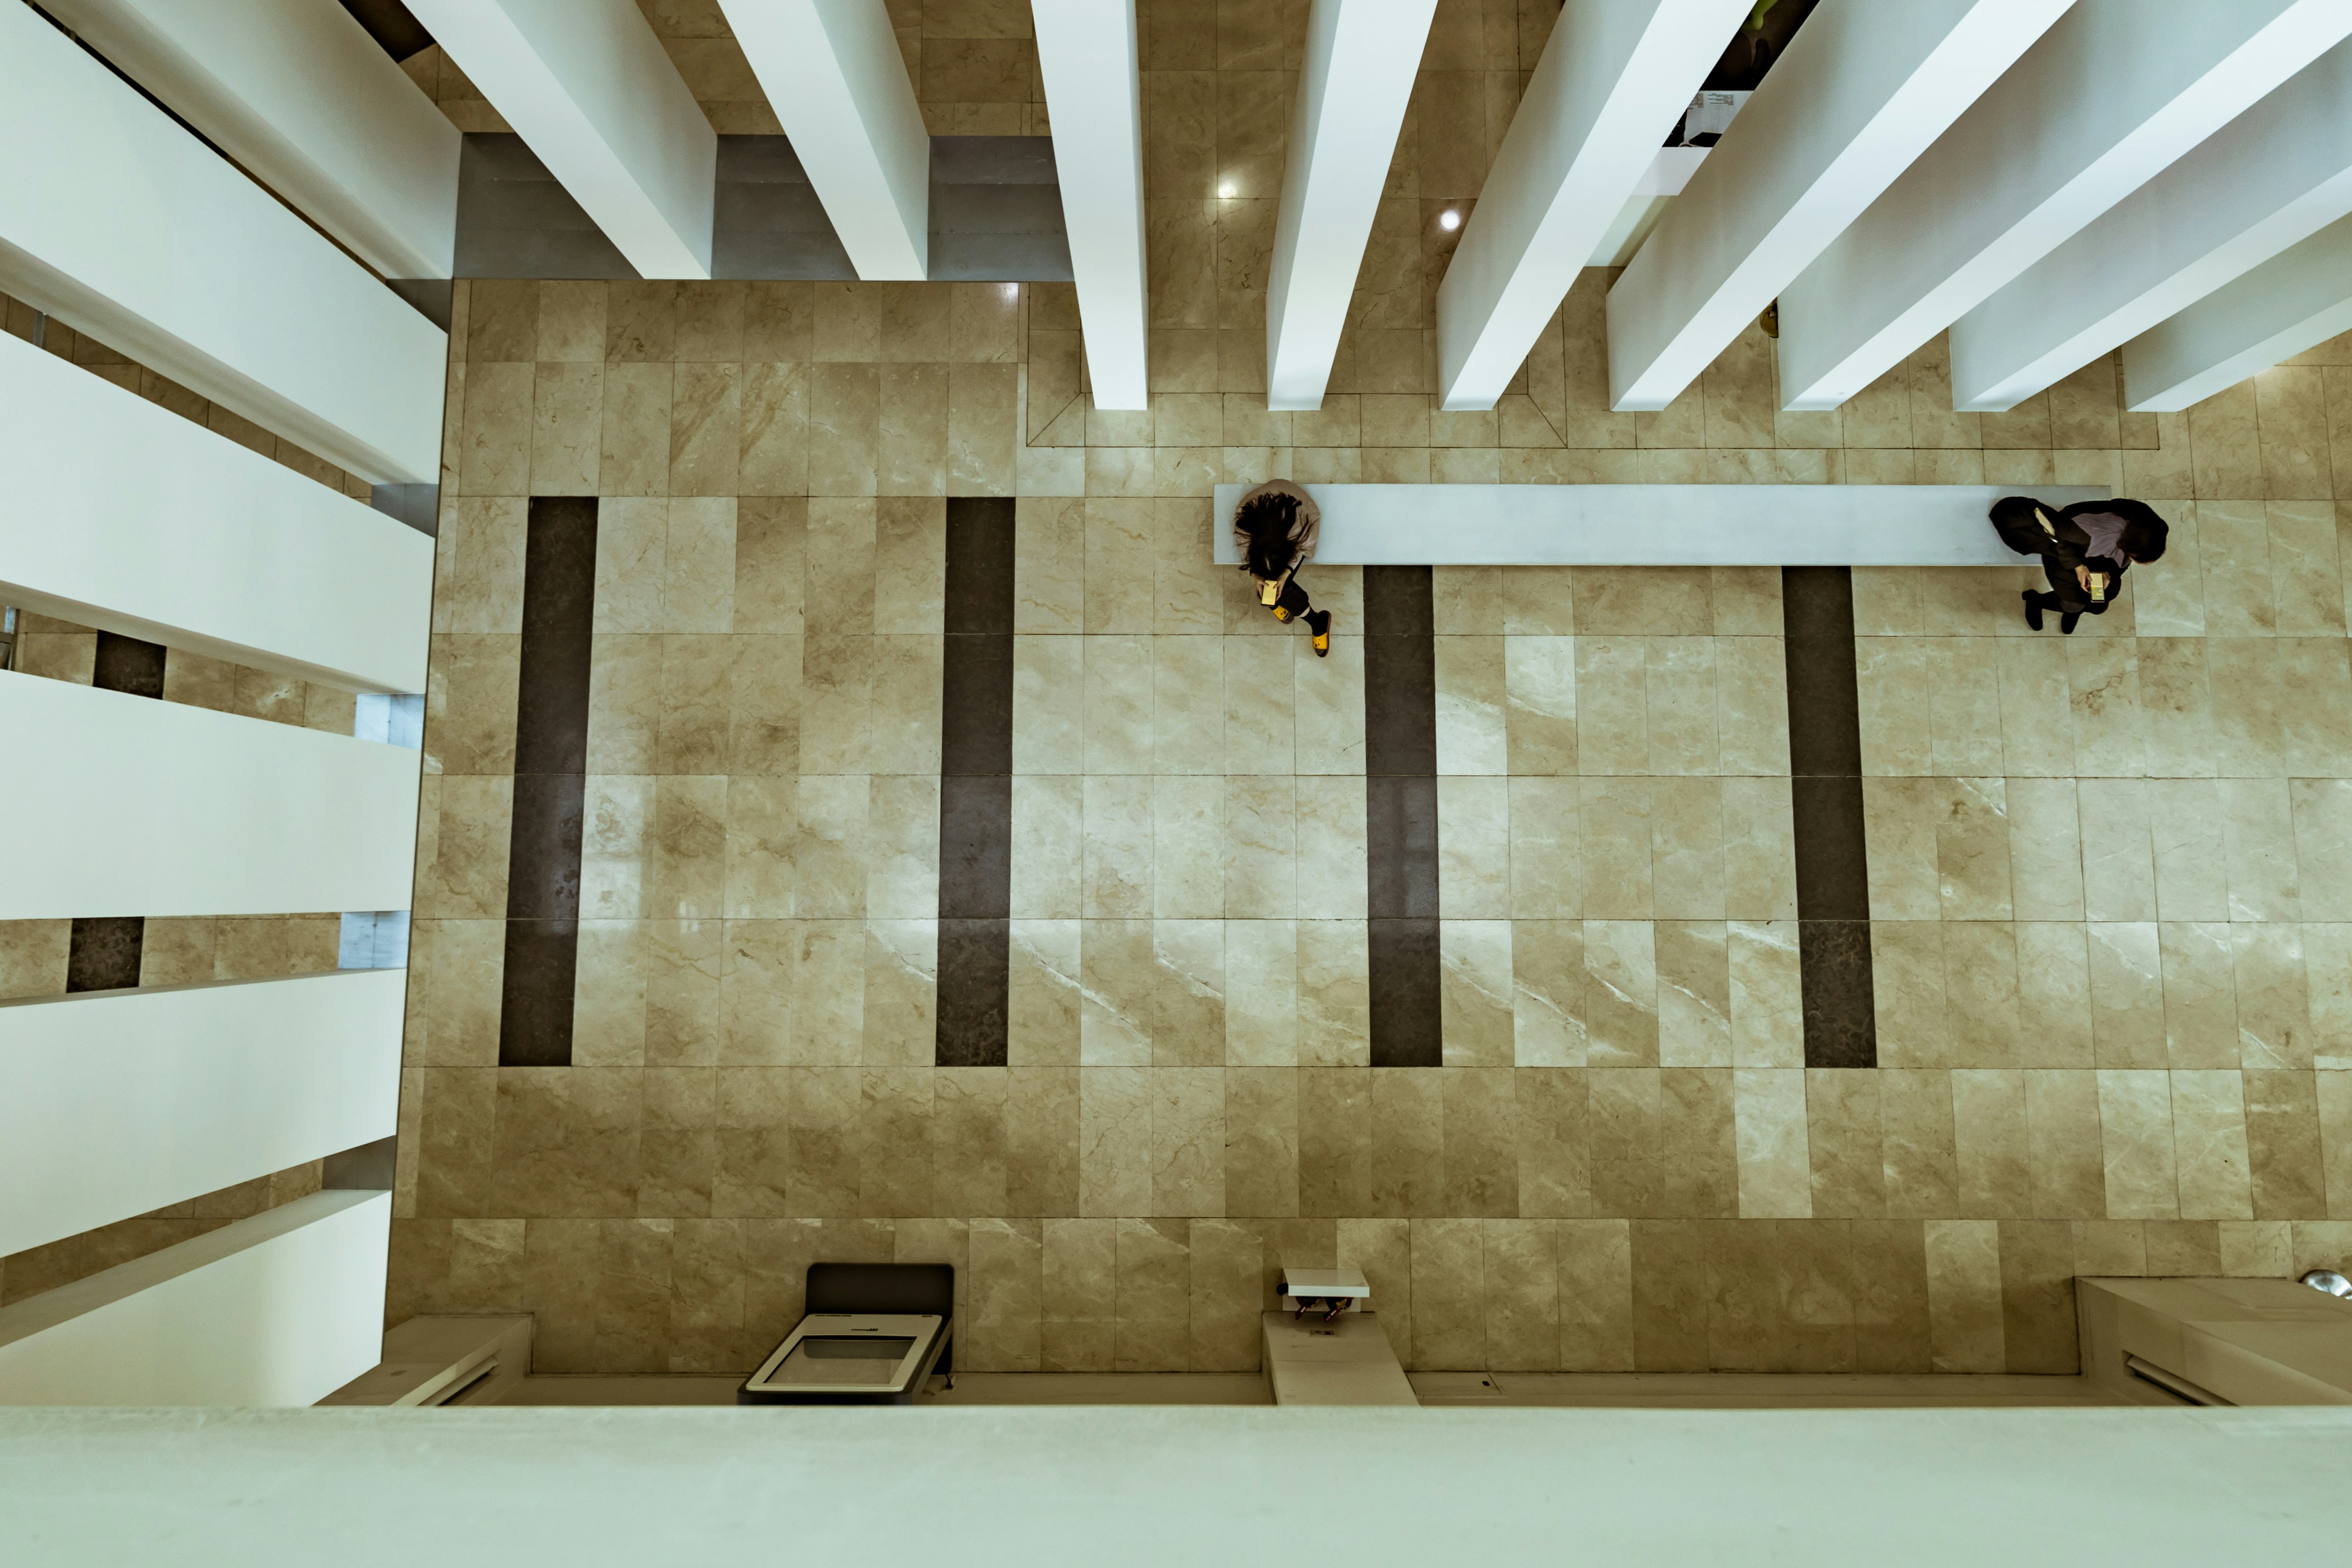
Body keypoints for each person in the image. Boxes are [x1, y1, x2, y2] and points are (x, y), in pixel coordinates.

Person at [1989, 494, 2170, 634]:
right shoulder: (2094, 533)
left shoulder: (2145, 529)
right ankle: (2036, 601)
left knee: (2099, 605)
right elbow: (2059, 537)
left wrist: (2108, 573)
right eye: (2135, 557)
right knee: (2074, 603)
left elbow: (2121, 560)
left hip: (2093, 553)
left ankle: (2074, 610)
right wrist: (2079, 567)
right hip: (2065, 551)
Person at [1232, 478, 1332, 656]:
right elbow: (1245, 545)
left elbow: (1302, 548)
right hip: (1267, 521)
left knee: (1282, 585)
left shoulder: (1300, 528)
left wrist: (1286, 573)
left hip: (1302, 519)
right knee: (1267, 578)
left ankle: (1318, 621)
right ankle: (1275, 599)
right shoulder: (1246, 520)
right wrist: (1255, 574)